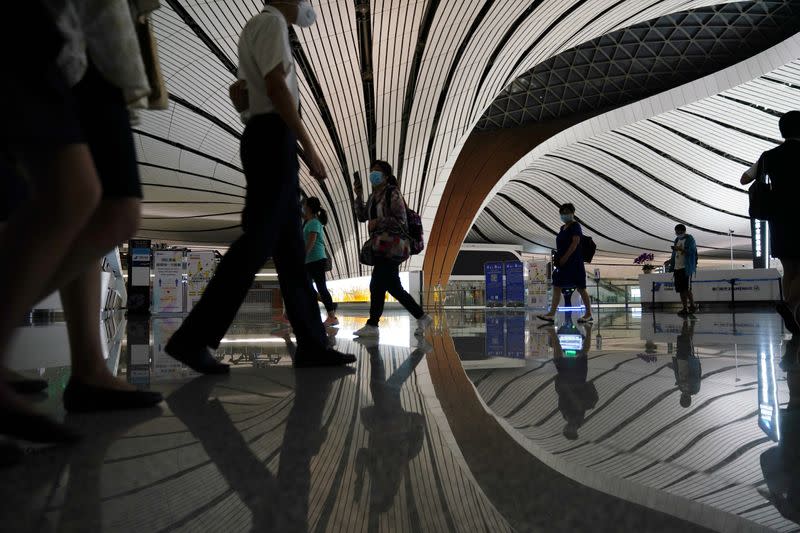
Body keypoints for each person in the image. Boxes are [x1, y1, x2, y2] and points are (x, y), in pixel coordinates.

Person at [0, 1, 163, 446]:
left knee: (94, 208)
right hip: (87, 39)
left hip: (84, 36)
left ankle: (90, 365)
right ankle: (88, 368)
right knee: (102, 205)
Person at [165, 0, 356, 370]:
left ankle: (313, 344)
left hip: (265, 136)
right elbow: (276, 88)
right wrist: (309, 148)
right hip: (272, 138)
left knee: (290, 252)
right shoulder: (272, 25)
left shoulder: (255, 27)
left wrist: (261, 123)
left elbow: (241, 91)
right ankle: (191, 339)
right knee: (256, 243)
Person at [352, 160, 433, 338]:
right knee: (393, 287)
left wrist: (378, 221)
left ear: (386, 176)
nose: (373, 174)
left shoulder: (392, 193)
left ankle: (373, 325)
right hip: (380, 247)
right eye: (371, 171)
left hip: (393, 247)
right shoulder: (374, 197)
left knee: (376, 285)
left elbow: (401, 221)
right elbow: (361, 217)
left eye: (377, 171)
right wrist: (358, 195)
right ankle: (422, 317)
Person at [742, 110, 800, 335]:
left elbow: (744, 179)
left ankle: (792, 316)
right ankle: (789, 306)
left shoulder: (769, 156)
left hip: (779, 218)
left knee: (790, 269)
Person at [537, 203, 593, 323]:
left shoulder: (575, 226)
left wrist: (565, 257)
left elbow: (575, 243)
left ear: (573, 213)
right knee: (557, 285)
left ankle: (588, 314)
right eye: (562, 213)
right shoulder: (562, 228)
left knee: (580, 288)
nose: (564, 215)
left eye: (567, 212)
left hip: (574, 262)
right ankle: (551, 313)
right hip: (563, 263)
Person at [303, 197, 338, 326]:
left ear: (309, 207)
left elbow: (311, 241)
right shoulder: (308, 222)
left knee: (321, 287)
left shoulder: (314, 222)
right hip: (310, 260)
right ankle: (314, 314)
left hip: (316, 259)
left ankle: (332, 317)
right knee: (307, 287)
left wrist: (303, 256)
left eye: (305, 205)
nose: (303, 207)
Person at [670, 318, 701, 408]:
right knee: (687, 339)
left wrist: (674, 362)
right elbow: (695, 377)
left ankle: (688, 322)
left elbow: (677, 374)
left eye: (682, 398)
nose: (682, 397)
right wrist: (686, 381)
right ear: (688, 399)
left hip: (680, 359)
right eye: (684, 399)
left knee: (684, 338)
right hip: (688, 359)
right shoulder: (695, 390)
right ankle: (688, 322)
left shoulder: (681, 389)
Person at [671, 224, 698, 317]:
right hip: (677, 268)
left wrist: (680, 249)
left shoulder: (690, 239)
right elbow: (675, 254)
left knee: (687, 289)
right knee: (680, 289)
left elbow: (691, 252)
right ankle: (685, 308)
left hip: (686, 268)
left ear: (683, 231)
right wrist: (670, 261)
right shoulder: (677, 240)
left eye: (679, 232)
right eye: (676, 232)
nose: (677, 234)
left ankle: (693, 306)